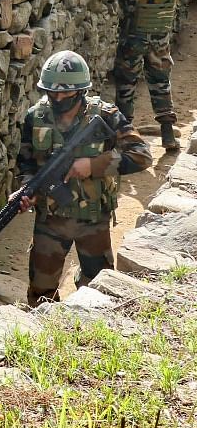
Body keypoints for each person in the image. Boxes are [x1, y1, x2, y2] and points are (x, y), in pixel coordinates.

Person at [14, 51, 152, 307]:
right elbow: (26, 161)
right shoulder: (36, 117)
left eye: (64, 93)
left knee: (97, 287)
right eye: (51, 93)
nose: (57, 98)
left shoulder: (107, 115)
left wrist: (94, 164)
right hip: (50, 220)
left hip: (93, 219)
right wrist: (26, 188)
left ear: (80, 91)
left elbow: (142, 155)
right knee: (40, 293)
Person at [114, 0, 191, 151]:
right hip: (161, 40)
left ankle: (124, 135)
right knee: (161, 84)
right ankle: (168, 135)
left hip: (133, 40)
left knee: (126, 85)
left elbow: (125, 7)